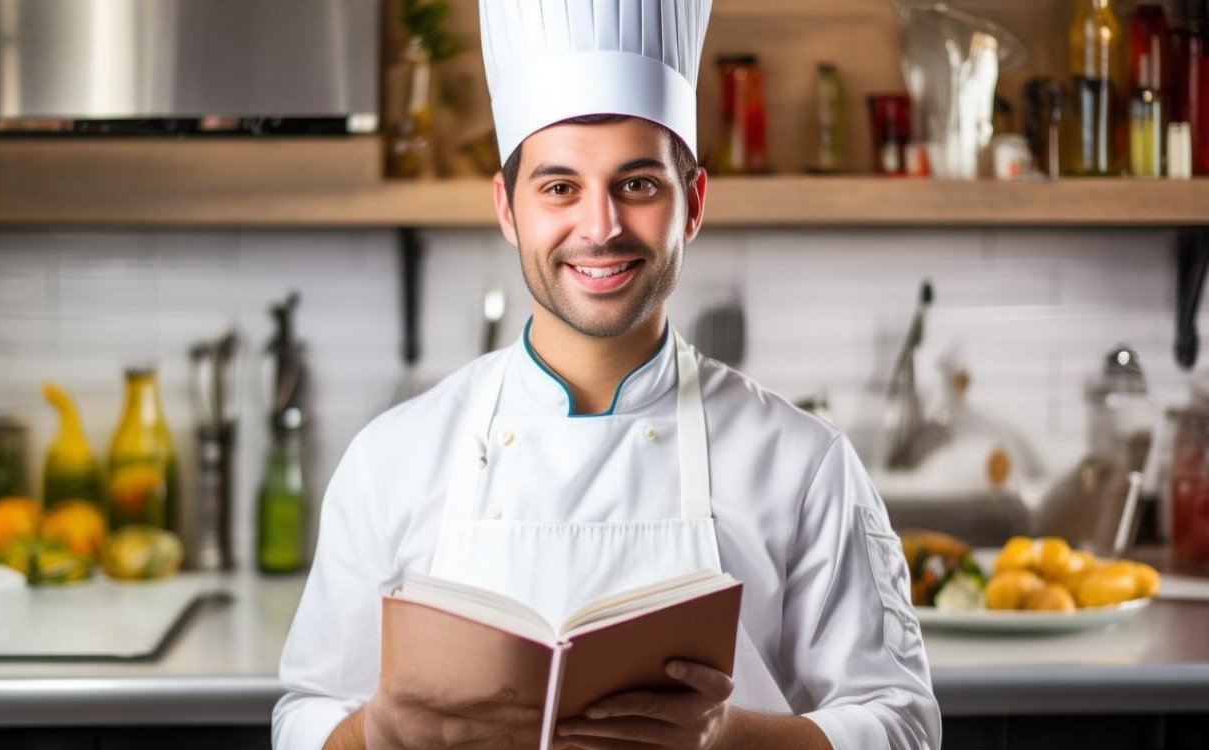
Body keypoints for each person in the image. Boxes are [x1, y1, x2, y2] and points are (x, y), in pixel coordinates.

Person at [273, 1, 940, 748]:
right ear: (507, 208)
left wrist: (729, 739)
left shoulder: (805, 465)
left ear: (692, 203)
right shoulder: (389, 460)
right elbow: (305, 718)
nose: (600, 228)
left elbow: (903, 724)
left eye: (638, 184)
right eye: (559, 187)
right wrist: (376, 732)